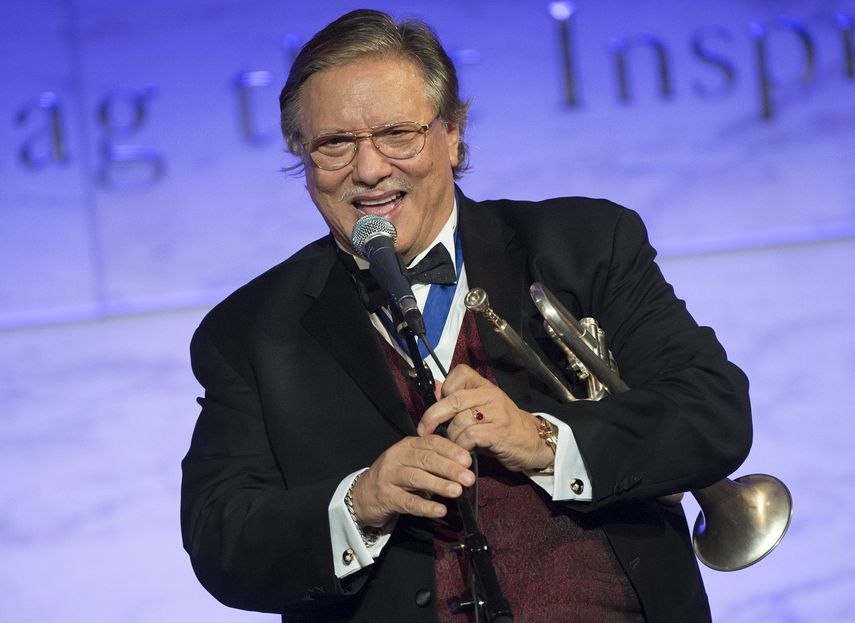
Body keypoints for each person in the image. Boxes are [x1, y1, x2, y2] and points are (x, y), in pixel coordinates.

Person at [181, 9, 752, 623]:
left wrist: (544, 442)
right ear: (304, 157)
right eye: (335, 144)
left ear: (452, 135)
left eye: (398, 133)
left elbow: (714, 412)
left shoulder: (585, 243)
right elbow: (223, 545)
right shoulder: (247, 331)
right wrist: (359, 504)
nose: (369, 169)